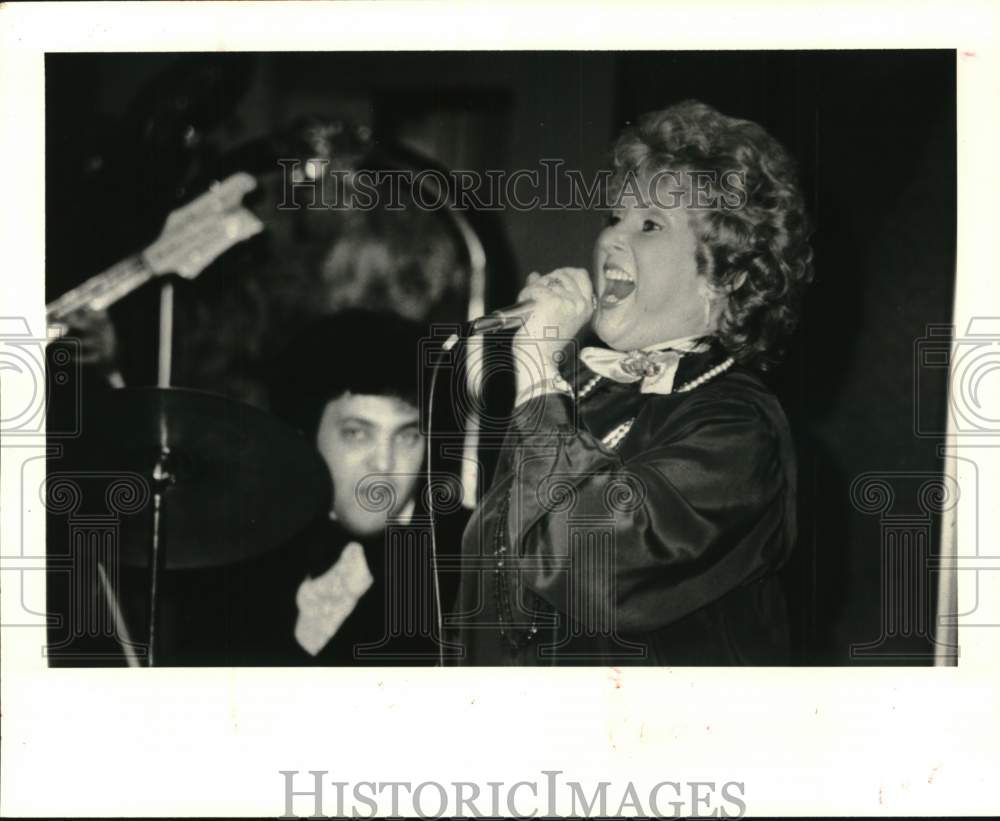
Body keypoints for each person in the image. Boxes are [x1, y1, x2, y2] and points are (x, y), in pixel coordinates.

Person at [451, 100, 814, 666]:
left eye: (649, 224)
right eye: (613, 218)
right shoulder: (578, 389)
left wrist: (538, 372)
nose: (610, 240)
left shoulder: (739, 428)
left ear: (728, 274)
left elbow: (587, 560)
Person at [210, 308, 468, 665]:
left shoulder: (470, 558)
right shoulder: (244, 555)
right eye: (357, 433)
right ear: (307, 435)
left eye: (408, 435)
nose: (383, 463)